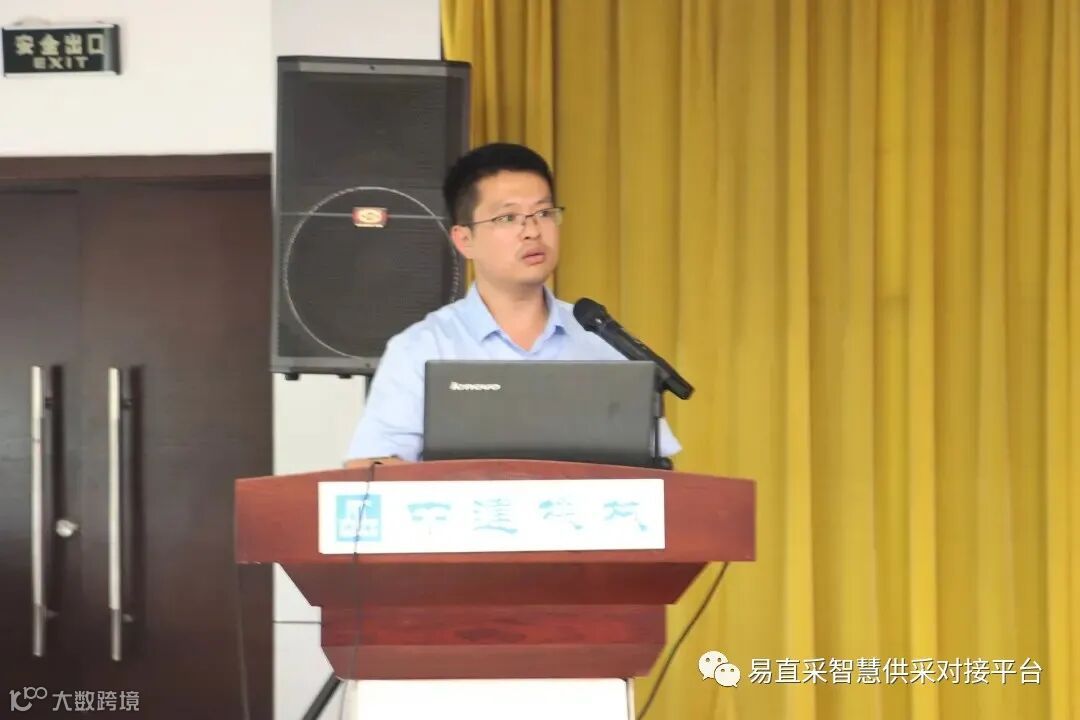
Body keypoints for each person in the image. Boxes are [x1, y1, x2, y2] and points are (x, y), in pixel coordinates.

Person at [344, 142, 680, 468]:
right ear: (464, 240)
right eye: (508, 218)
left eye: (544, 213)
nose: (532, 231)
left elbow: (657, 469)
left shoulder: (599, 339)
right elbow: (369, 465)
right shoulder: (422, 348)